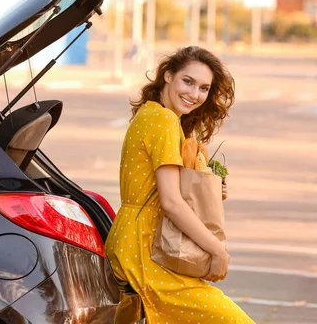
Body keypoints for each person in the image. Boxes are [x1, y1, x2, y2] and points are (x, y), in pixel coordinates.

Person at [105, 46, 254, 323]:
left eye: (203, 88)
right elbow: (171, 203)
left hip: (133, 240)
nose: (194, 94)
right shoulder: (163, 120)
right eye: (188, 81)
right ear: (169, 76)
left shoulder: (149, 114)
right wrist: (218, 250)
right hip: (146, 250)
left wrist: (206, 189)